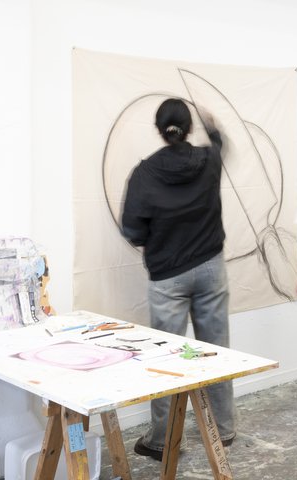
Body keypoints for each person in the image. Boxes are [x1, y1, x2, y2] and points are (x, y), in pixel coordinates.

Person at [120, 98, 236, 460]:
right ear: (187, 129)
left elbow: (133, 229)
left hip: (168, 275)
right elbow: (220, 146)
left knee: (168, 358)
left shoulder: (144, 173)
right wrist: (212, 126)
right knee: (215, 350)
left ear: (159, 129)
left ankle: (163, 440)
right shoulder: (208, 160)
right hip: (211, 267)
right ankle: (224, 429)